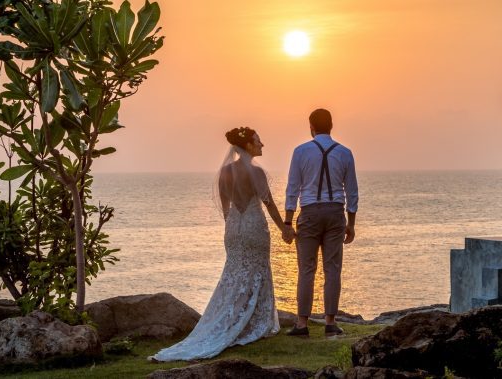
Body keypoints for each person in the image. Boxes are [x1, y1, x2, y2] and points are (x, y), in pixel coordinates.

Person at [149, 127, 295, 362]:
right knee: (257, 271)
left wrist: (234, 228)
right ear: (247, 145)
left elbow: (226, 209)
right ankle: (254, 324)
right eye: (258, 141)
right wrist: (284, 229)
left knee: (235, 274)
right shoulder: (256, 172)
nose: (262, 145)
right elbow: (268, 204)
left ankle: (233, 320)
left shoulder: (225, 171)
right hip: (254, 227)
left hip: (233, 229)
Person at [284, 108, 358, 337]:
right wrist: (351, 222)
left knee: (306, 269)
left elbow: (292, 189)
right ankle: (330, 322)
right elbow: (352, 192)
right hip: (335, 213)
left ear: (311, 127)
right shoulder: (345, 153)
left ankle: (302, 324)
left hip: (309, 213)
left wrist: (287, 222)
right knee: (332, 269)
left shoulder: (300, 151)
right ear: (332, 126)